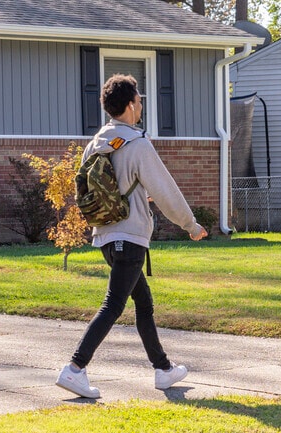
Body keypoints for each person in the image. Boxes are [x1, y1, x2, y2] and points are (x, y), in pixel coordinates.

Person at [55, 74, 208, 399]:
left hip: (106, 237)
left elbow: (106, 190)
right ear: (128, 106)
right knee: (113, 305)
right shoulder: (137, 145)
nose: (140, 106)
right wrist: (190, 224)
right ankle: (74, 369)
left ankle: (163, 369)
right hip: (131, 237)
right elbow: (166, 191)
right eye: (138, 101)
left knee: (143, 302)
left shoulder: (96, 143)